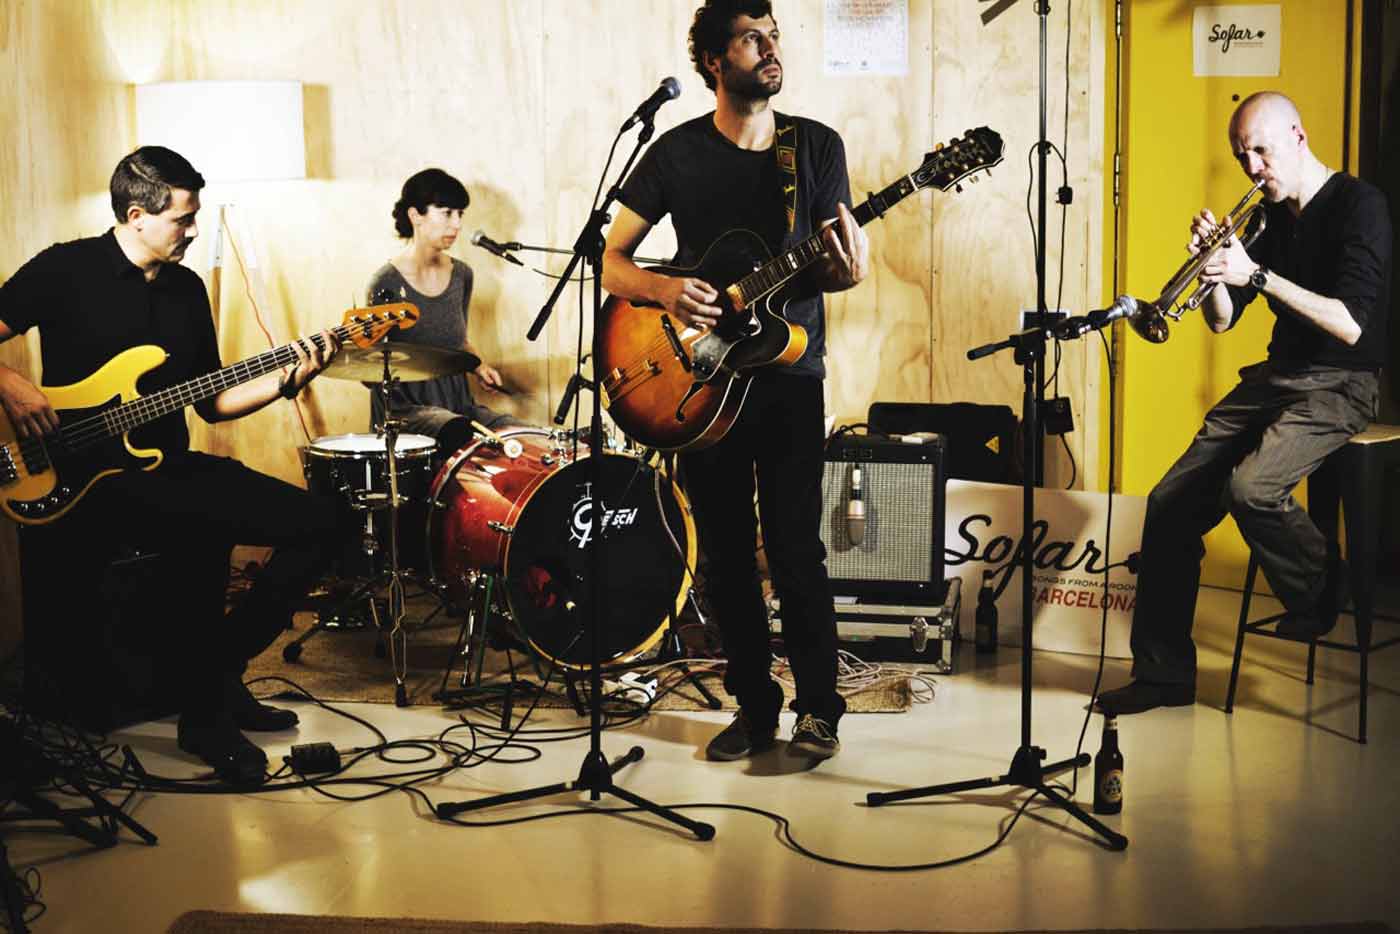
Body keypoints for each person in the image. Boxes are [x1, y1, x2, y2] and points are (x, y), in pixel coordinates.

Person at [0, 146, 352, 784]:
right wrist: (10, 383)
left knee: (326, 523)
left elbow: (213, 402)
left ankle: (217, 674)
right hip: (83, 484)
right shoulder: (63, 269)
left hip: (168, 467)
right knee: (200, 525)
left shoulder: (186, 290)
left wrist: (285, 381)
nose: (193, 230)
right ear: (137, 216)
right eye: (182, 219)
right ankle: (207, 716)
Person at [601, 0, 870, 761]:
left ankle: (819, 709)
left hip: (788, 371)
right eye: (753, 38)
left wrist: (848, 273)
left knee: (795, 549)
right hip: (700, 377)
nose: (771, 48)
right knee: (721, 556)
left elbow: (831, 266)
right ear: (715, 61)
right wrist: (662, 291)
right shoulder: (674, 153)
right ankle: (754, 708)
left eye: (774, 35)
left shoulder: (813, 147)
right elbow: (612, 261)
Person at [1098, 92, 1392, 716]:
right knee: (1168, 505)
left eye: (1261, 150)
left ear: (1299, 135)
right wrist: (1214, 270)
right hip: (1276, 379)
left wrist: (1255, 274)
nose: (1252, 167)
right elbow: (1222, 321)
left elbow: (1351, 325)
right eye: (1242, 157)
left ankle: (1324, 588)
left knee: (1251, 488)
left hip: (1342, 381)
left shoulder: (1360, 206)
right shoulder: (1270, 217)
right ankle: (1164, 676)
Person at [365, 168, 522, 458]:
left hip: (458, 405)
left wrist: (478, 366)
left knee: (520, 434)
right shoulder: (386, 282)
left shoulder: (462, 274)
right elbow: (369, 365)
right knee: (459, 431)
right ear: (415, 215)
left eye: (460, 214)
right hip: (406, 411)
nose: (457, 224)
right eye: (447, 213)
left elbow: (456, 340)